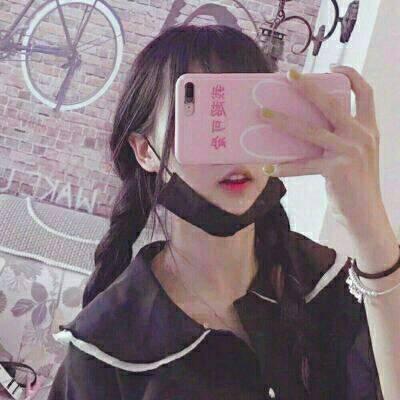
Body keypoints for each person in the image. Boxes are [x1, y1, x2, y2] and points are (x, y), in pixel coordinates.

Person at [48, 24, 385, 399]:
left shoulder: (329, 285)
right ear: (145, 150)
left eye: (249, 115)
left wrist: (371, 227)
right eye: (207, 121)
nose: (233, 152)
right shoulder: (103, 351)